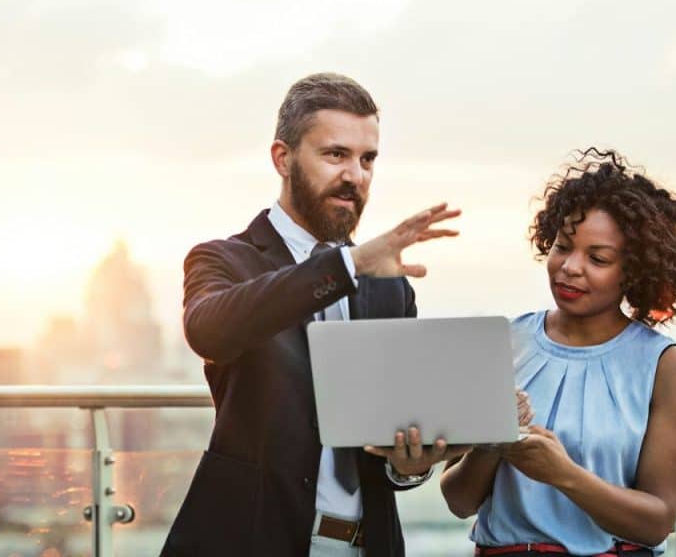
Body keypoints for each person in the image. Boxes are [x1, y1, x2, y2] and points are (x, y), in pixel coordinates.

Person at [161, 73, 470, 557]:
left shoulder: (387, 285)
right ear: (282, 159)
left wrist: (409, 465)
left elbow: (391, 433)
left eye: (367, 159)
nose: (356, 176)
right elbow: (208, 331)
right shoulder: (223, 260)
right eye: (335, 155)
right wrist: (348, 265)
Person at [440, 148, 676, 557]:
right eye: (563, 247)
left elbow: (657, 522)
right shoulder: (503, 343)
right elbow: (458, 501)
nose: (570, 267)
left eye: (597, 258)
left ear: (633, 272)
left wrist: (563, 475)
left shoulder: (664, 367)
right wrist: (492, 445)